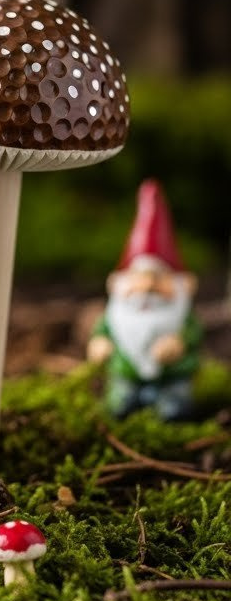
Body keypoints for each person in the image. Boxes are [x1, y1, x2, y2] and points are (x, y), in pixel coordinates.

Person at [88, 180, 203, 421]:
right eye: (139, 277)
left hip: (170, 378)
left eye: (159, 279)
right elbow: (103, 329)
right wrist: (99, 342)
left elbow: (193, 335)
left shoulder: (182, 317)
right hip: (126, 375)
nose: (149, 285)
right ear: (116, 283)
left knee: (174, 411)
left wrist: (179, 345)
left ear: (186, 284)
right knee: (119, 405)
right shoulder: (116, 314)